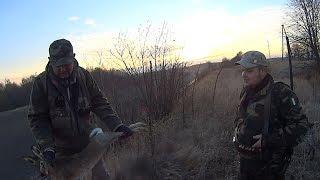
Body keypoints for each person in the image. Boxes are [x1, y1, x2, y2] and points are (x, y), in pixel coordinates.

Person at [27, 39, 133, 179]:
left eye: (66, 64)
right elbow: (37, 118)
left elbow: (99, 102)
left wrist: (117, 125)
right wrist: (47, 146)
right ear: (50, 62)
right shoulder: (41, 84)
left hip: (88, 146)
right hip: (61, 152)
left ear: (73, 58)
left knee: (101, 177)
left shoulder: (83, 76)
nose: (62, 69)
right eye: (58, 65)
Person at [233, 51, 312, 180]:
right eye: (243, 70)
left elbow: (301, 126)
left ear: (262, 71)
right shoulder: (246, 91)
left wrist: (267, 140)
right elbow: (239, 117)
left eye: (249, 70)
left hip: (270, 169)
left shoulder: (280, 93)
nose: (243, 74)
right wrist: (238, 131)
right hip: (245, 166)